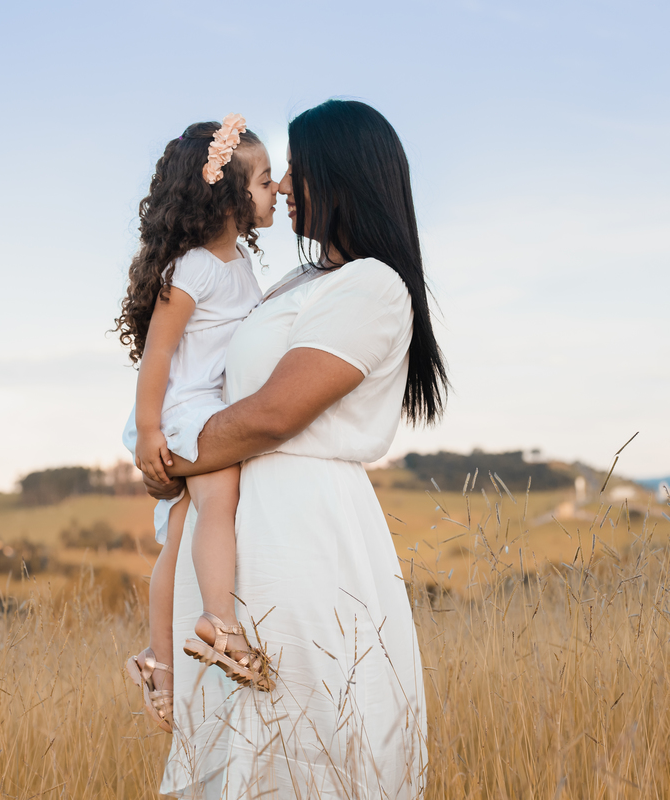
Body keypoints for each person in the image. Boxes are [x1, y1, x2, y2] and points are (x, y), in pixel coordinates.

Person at [146, 99, 447, 798]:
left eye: (295, 171)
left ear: (339, 177)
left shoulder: (372, 285)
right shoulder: (296, 283)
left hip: (301, 531)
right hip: (239, 524)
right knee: (235, 754)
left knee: (304, 743)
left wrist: (171, 458)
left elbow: (275, 414)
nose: (281, 186)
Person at [114, 114, 279, 734]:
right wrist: (148, 432)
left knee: (180, 536)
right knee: (220, 497)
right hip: (186, 411)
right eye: (265, 180)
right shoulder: (192, 268)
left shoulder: (237, 263)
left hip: (205, 406)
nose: (276, 190)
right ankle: (220, 623)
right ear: (230, 195)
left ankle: (158, 661)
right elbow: (158, 356)